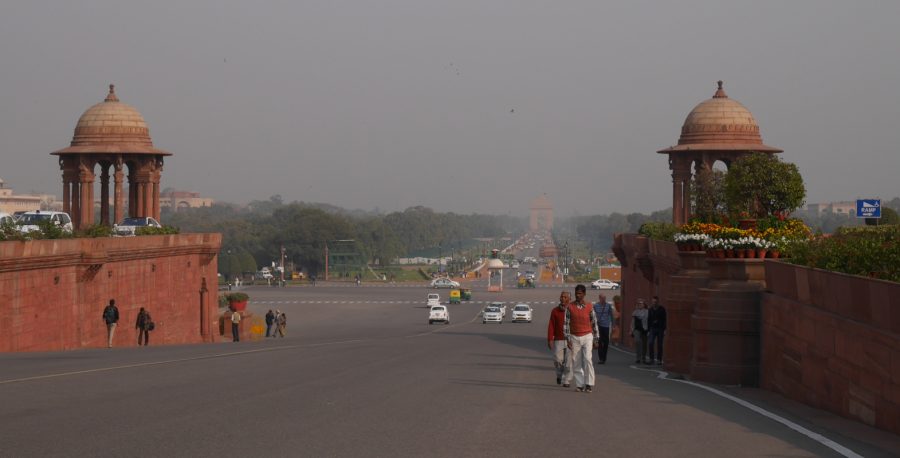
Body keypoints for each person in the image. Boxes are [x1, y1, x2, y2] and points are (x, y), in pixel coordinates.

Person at [565, 284, 600, 393]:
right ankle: (580, 384)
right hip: (575, 337)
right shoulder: (570, 307)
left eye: (580, 293)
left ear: (584, 294)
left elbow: (594, 323)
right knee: (576, 362)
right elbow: (566, 324)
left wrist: (596, 339)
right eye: (576, 293)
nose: (578, 295)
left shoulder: (589, 306)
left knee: (588, 359)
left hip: (587, 336)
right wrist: (568, 339)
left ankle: (589, 383)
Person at [547, 291, 573, 387]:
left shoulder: (572, 310)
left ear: (569, 299)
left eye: (565, 297)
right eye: (562, 297)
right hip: (558, 340)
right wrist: (550, 339)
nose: (563, 299)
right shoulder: (555, 311)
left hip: (570, 340)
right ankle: (559, 375)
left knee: (568, 362)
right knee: (558, 360)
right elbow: (551, 326)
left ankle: (566, 380)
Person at [593, 293, 614, 364]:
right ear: (599, 298)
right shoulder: (595, 306)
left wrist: (613, 325)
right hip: (598, 326)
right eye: (602, 298)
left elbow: (611, 315)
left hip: (606, 326)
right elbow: (593, 315)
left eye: (604, 298)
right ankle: (601, 358)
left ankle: (604, 357)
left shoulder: (608, 306)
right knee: (599, 342)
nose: (604, 299)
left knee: (606, 342)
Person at [648, 296, 667, 365]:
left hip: (660, 329)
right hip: (652, 328)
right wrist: (648, 329)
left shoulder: (662, 309)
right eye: (653, 302)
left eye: (655, 302)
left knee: (660, 344)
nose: (654, 303)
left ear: (658, 302)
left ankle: (659, 359)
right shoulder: (650, 309)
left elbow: (665, 319)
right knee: (650, 343)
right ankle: (651, 359)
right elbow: (648, 319)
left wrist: (665, 329)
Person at [631, 299, 649, 364]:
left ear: (644, 305)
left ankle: (643, 358)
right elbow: (633, 322)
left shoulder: (647, 311)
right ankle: (638, 358)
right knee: (637, 342)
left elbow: (649, 321)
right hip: (637, 329)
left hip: (645, 329)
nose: (640, 305)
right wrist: (631, 330)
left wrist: (649, 330)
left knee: (644, 344)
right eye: (638, 304)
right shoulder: (635, 312)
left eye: (641, 303)